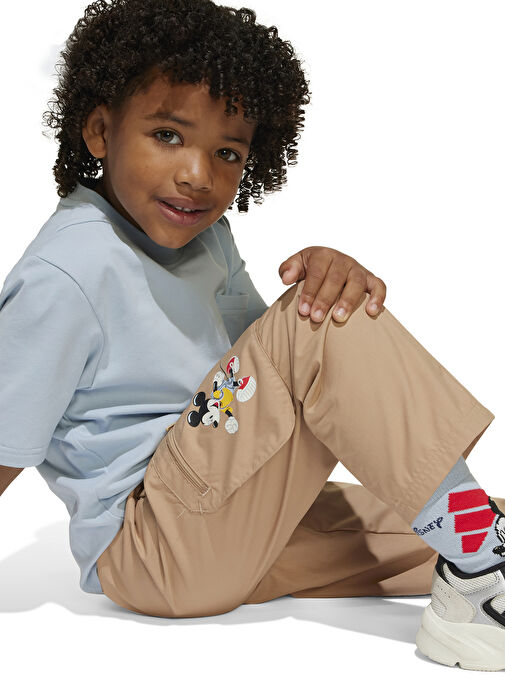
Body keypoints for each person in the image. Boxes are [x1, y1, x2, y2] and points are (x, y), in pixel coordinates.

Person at [1, 0, 504, 671]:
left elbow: (272, 376)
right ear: (99, 130)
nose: (197, 175)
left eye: (227, 152)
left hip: (225, 518)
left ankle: (482, 552)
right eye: (167, 135)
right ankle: (483, 580)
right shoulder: (66, 274)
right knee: (319, 314)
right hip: (155, 544)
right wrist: (318, 304)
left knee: (457, 511)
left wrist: (323, 285)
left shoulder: (205, 239)